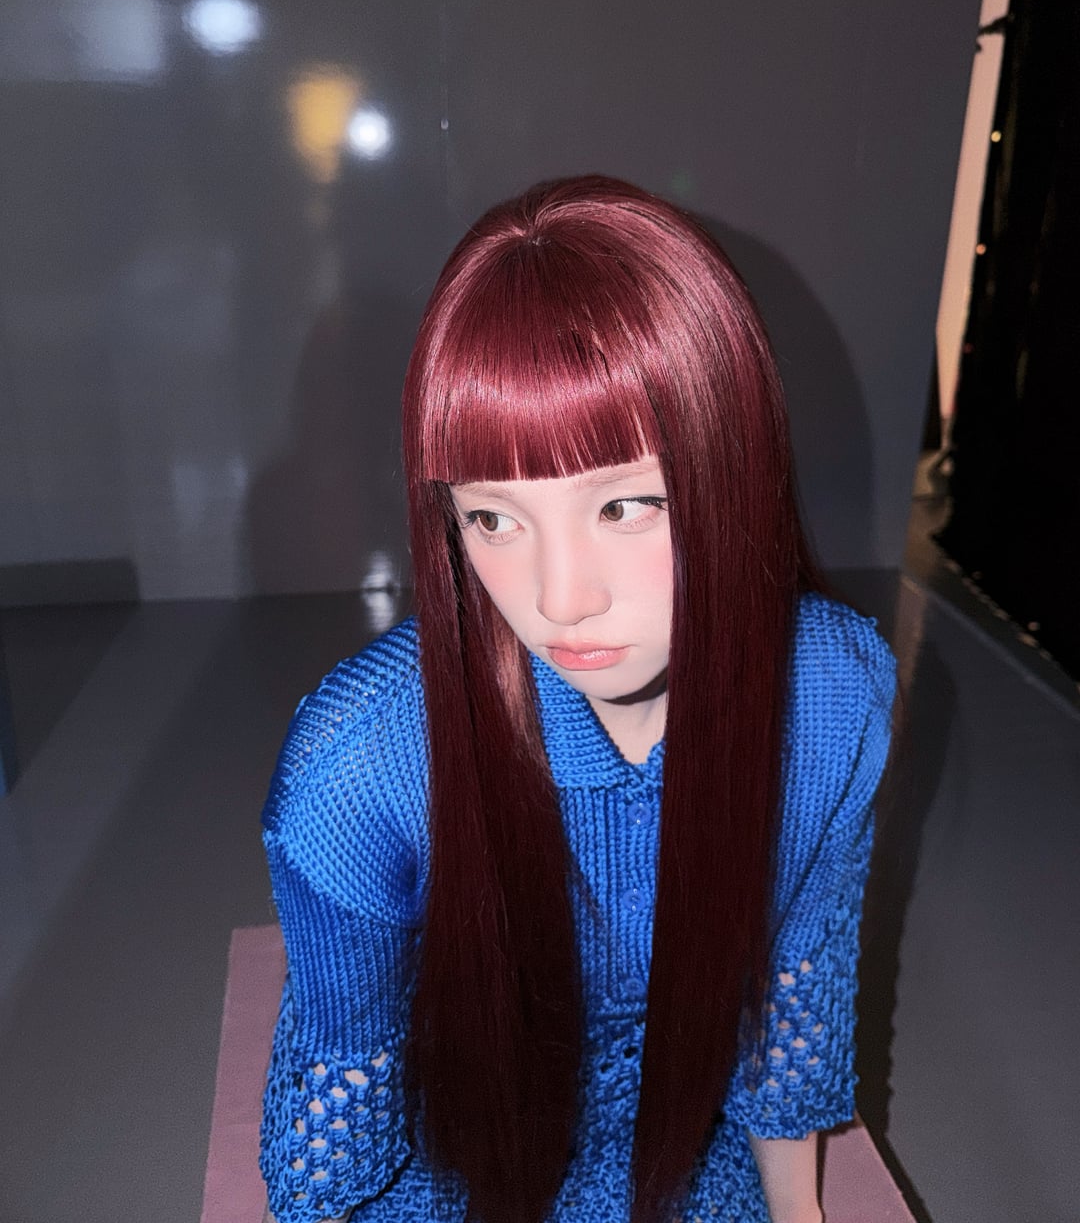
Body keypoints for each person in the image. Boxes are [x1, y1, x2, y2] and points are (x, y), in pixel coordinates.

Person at [259, 175, 897, 1223]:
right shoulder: (362, 770)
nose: (560, 599)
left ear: (735, 473)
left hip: (690, 1152)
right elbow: (344, 1102)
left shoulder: (830, 696)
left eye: (627, 504)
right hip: (456, 1164)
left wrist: (802, 1215)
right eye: (493, 520)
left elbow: (795, 992)